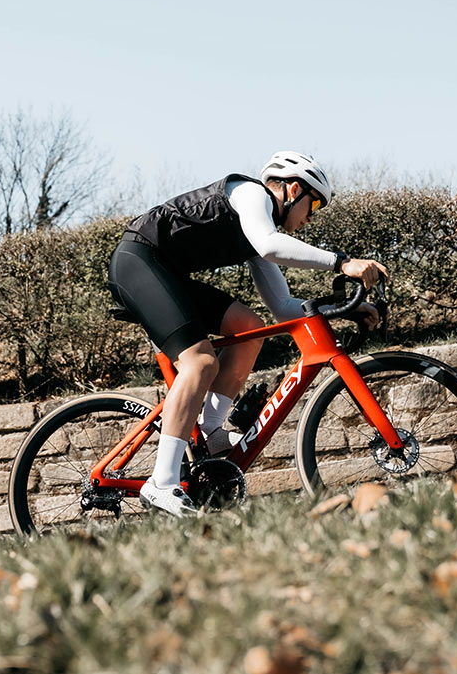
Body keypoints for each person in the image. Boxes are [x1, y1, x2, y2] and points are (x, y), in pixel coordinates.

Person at [108, 151, 388, 516]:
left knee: (251, 328)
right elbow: (271, 245)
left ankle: (211, 429)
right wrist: (343, 262)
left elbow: (282, 308)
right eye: (315, 203)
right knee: (200, 363)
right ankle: (161, 483)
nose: (312, 216)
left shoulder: (256, 233)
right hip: (138, 261)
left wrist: (345, 310)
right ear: (293, 189)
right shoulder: (250, 194)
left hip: (166, 274)